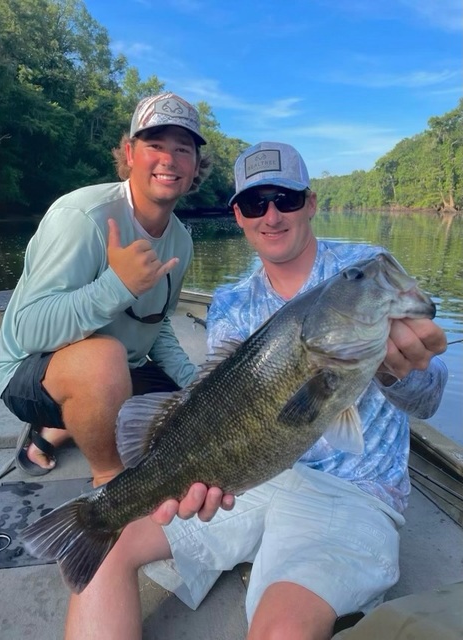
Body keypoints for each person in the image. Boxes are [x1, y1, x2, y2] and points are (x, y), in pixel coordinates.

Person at [63, 141, 448, 640]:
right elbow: (220, 409)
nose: (271, 215)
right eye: (254, 203)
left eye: (285, 199)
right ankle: (103, 515)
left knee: (280, 631)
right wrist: (204, 472)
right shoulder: (231, 300)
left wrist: (402, 371)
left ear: (310, 202)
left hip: (353, 491)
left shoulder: (367, 270)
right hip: (249, 476)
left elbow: (431, 397)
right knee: (103, 542)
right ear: (238, 216)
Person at [0, 92, 233, 522]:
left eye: (183, 149)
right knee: (104, 361)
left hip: (123, 370)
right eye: (155, 144)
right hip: (29, 372)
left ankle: (60, 429)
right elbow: (27, 329)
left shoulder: (181, 240)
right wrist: (117, 285)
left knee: (195, 418)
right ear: (129, 153)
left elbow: (156, 326)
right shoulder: (82, 217)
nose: (169, 159)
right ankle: (110, 485)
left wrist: (197, 387)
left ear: (196, 167)